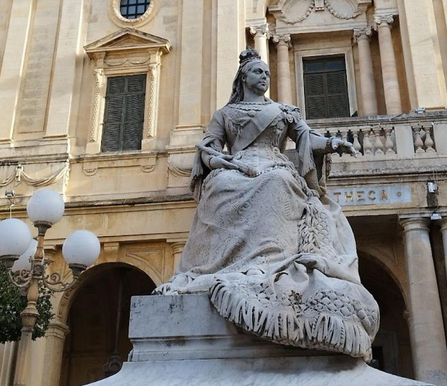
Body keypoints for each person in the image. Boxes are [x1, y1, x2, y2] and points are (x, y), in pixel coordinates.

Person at [155, 48, 379, 360]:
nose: (264, 77)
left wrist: (331, 144)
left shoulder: (284, 112)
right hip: (236, 167)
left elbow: (306, 139)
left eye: (267, 73)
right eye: (258, 72)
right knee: (219, 185)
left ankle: (268, 261)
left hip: (275, 166)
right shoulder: (225, 114)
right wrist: (217, 159)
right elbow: (208, 148)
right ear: (243, 77)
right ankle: (227, 265)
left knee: (277, 184)